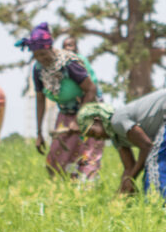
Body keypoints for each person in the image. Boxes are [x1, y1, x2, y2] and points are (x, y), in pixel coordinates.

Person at [76, 87, 166, 202]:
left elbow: (147, 146)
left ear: (98, 119)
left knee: (156, 161)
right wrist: (122, 190)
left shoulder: (117, 121)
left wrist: (130, 180)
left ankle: (165, 205)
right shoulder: (116, 137)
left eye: (93, 132)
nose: (97, 138)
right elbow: (129, 167)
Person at [16, 22, 103, 180]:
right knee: (56, 159)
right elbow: (40, 99)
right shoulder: (38, 70)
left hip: (89, 113)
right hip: (65, 115)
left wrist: (78, 120)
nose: (41, 59)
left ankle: (86, 195)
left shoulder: (69, 64)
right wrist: (39, 133)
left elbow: (91, 89)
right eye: (36, 56)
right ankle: (63, 194)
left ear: (50, 48)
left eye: (43, 54)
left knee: (86, 158)